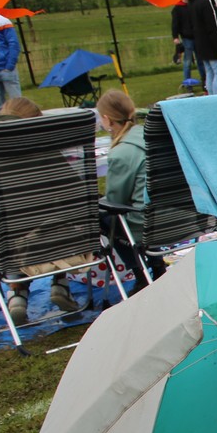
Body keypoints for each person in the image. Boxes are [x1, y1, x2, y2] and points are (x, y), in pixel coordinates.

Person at [0, 96, 80, 324]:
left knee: (17, 234)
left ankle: (17, 295)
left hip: (5, 247)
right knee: (54, 226)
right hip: (58, 241)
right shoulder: (47, 150)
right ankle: (60, 284)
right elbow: (74, 191)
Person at [95, 89, 166, 286]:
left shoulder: (122, 152)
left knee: (102, 216)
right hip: (177, 216)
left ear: (107, 119)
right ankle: (158, 266)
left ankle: (140, 275)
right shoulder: (154, 135)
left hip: (145, 224)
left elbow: (115, 200)